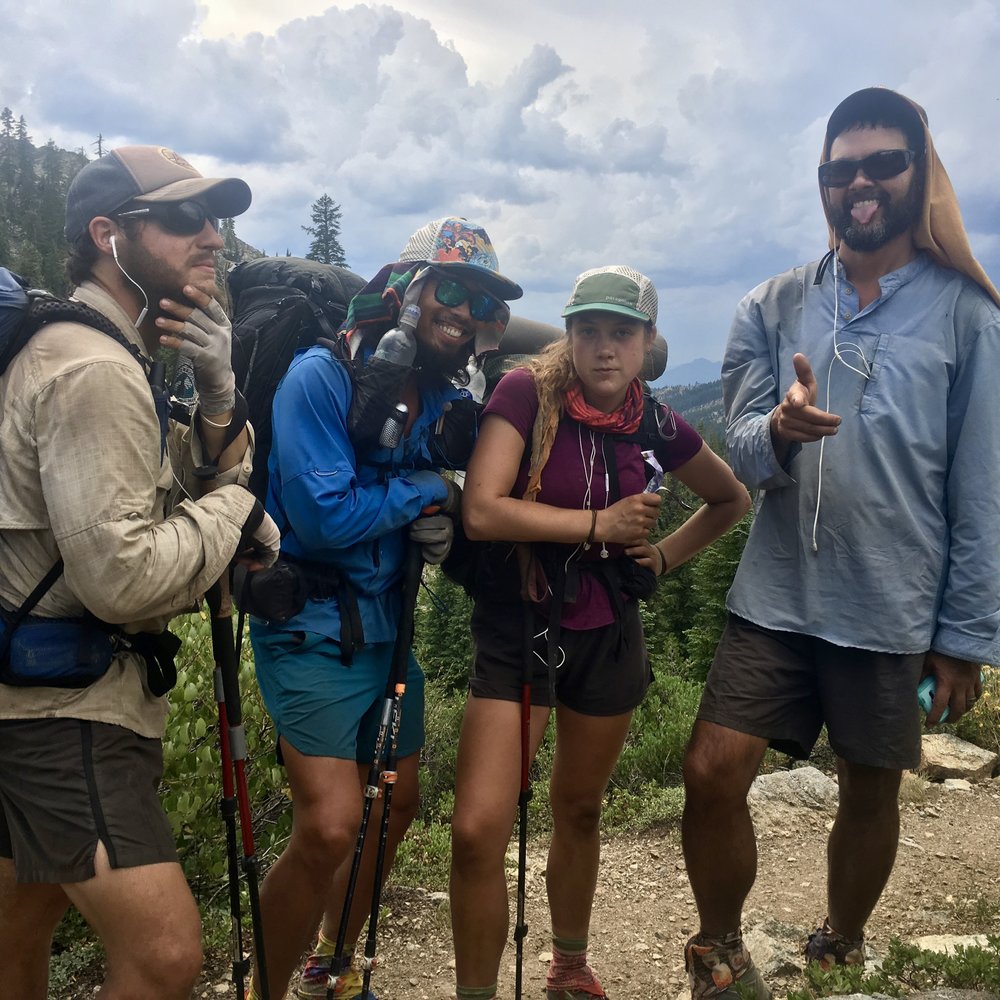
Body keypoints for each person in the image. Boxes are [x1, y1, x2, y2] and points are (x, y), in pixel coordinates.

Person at [680, 86, 1000, 999]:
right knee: (711, 771)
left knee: (869, 789)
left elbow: (982, 488)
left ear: (919, 174)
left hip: (894, 604)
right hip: (776, 593)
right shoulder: (775, 304)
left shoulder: (967, 316)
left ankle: (842, 944)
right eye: (840, 170)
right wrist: (777, 431)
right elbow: (741, 451)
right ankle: (720, 951)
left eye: (882, 164)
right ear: (822, 183)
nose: (860, 183)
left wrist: (965, 639)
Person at [0, 145, 280, 999]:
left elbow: (164, 488)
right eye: (184, 219)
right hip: (66, 715)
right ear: (107, 235)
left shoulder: (90, 350)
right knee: (164, 956)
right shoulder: (93, 370)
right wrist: (239, 513)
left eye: (214, 220)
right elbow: (120, 578)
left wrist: (219, 395)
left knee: (16, 933)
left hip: (29, 696)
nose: (212, 239)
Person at [450, 265, 751, 1000]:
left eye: (622, 332)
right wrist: (600, 525)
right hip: (522, 624)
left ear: (648, 342)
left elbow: (730, 499)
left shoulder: (654, 421)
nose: (604, 347)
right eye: (588, 330)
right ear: (570, 333)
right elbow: (482, 511)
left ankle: (569, 966)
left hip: (608, 628)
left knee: (579, 807)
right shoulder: (526, 394)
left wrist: (662, 557)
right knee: (478, 831)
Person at [247, 217, 523, 1000]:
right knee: (331, 824)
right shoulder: (320, 377)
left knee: (396, 804)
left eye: (482, 303)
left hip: (388, 629)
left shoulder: (438, 394)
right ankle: (262, 989)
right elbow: (324, 518)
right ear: (408, 287)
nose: (464, 312)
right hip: (309, 628)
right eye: (451, 289)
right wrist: (429, 490)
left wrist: (451, 508)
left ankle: (327, 967)